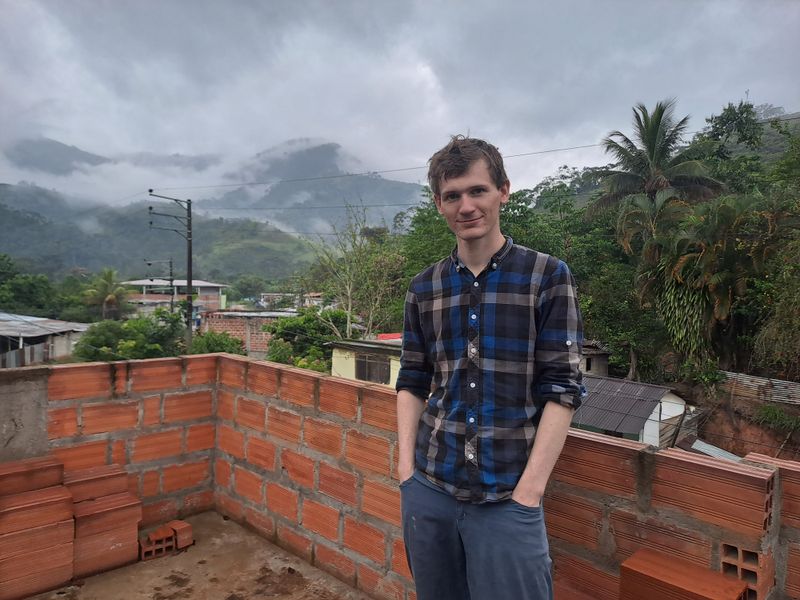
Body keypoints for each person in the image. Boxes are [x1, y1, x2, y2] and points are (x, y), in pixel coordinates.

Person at [395, 136, 584, 600]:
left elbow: (562, 388)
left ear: (503, 190)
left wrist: (529, 493)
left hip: (509, 498)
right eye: (452, 195)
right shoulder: (425, 288)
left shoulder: (546, 277)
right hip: (429, 490)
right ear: (439, 204)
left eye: (477, 190)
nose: (466, 206)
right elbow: (413, 381)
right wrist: (406, 473)